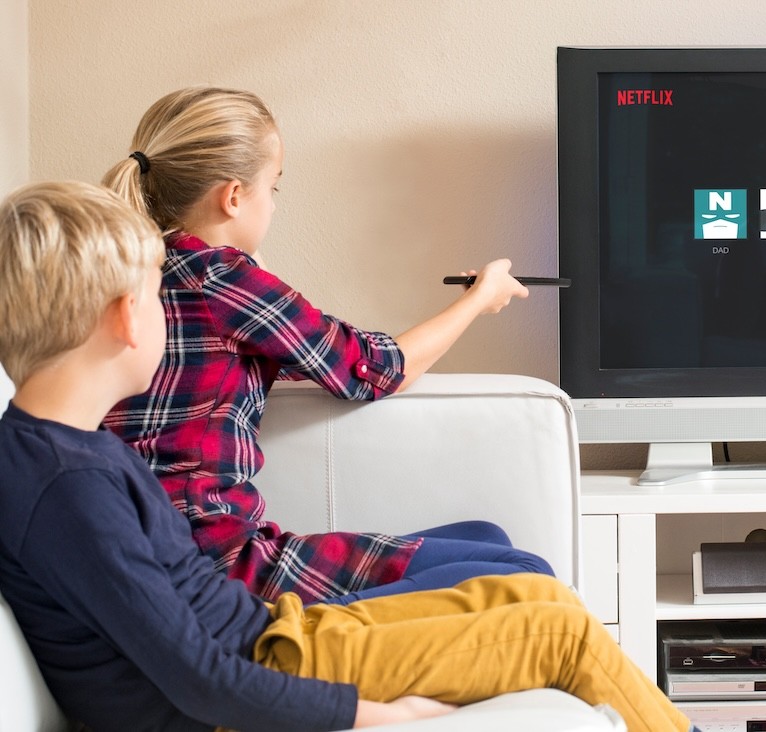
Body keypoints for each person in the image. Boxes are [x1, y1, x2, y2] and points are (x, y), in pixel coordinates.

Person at [0, 180, 698, 732]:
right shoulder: (68, 488)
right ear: (126, 318)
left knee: (533, 591)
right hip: (267, 665)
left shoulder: (71, 449)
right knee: (559, 634)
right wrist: (372, 714)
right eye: (157, 298)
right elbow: (199, 680)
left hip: (275, 633)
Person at [100, 86, 551, 604]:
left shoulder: (132, 274)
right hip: (221, 564)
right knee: (528, 572)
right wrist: (479, 300)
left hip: (167, 551)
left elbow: (303, 353)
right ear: (233, 196)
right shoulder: (221, 278)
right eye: (274, 187)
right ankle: (335, 632)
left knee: (486, 537)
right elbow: (376, 369)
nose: (274, 204)